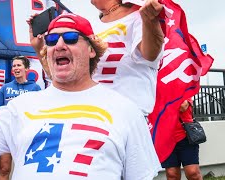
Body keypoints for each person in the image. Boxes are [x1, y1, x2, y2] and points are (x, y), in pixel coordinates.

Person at [0, 14, 161, 179]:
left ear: (91, 49)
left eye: (70, 38)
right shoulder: (21, 106)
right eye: (52, 40)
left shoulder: (125, 110)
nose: (59, 45)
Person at [28, 0, 164, 117]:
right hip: (89, 115)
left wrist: (150, 21)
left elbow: (150, 55)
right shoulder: (91, 26)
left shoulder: (139, 15)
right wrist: (38, 48)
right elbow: (63, 77)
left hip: (127, 116)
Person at [0, 56, 41, 180]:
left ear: (26, 68)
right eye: (14, 66)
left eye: (19, 65)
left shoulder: (35, 88)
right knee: (4, 169)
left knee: (26, 170)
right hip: (7, 134)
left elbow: (39, 112)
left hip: (27, 134)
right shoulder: (5, 88)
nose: (15, 68)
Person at [161, 98, 203, 180]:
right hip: (167, 139)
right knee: (172, 174)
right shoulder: (161, 93)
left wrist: (163, 105)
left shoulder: (184, 90)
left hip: (186, 137)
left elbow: (182, 106)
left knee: (193, 173)